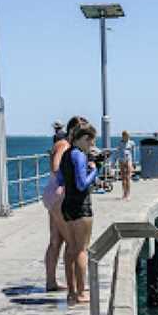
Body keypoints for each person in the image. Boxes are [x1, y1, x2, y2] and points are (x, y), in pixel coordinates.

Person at [43, 116, 86, 291]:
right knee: (72, 241)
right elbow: (55, 166)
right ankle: (75, 286)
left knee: (56, 240)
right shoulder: (64, 145)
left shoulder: (62, 144)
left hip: (53, 193)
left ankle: (51, 282)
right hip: (60, 195)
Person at [60, 122, 100, 305]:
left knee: (71, 249)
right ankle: (82, 293)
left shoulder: (66, 154)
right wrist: (95, 171)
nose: (91, 146)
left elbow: (61, 179)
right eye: (91, 142)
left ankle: (71, 292)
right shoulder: (79, 155)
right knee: (81, 250)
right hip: (81, 207)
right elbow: (82, 184)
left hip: (67, 206)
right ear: (84, 139)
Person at [116, 130, 136, 201]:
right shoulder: (120, 143)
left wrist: (134, 162)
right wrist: (114, 161)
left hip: (128, 160)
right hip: (121, 160)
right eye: (126, 136)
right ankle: (124, 194)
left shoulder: (131, 143)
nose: (127, 137)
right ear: (123, 136)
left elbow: (133, 153)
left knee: (128, 177)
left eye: (128, 136)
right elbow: (117, 152)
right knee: (123, 178)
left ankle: (128, 194)